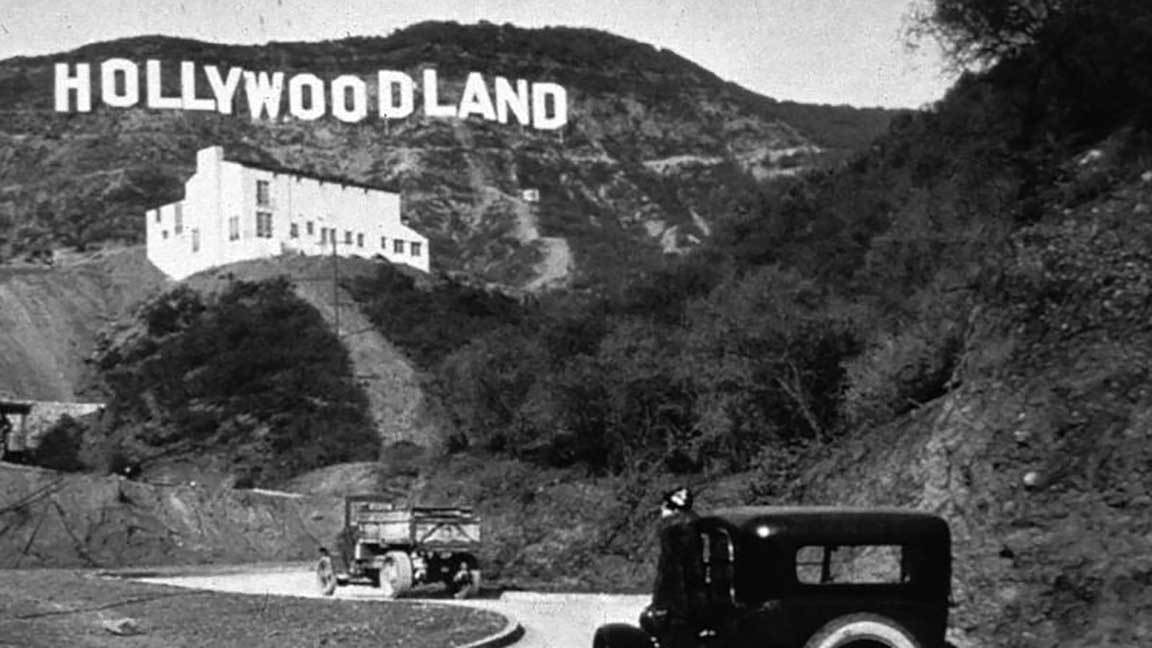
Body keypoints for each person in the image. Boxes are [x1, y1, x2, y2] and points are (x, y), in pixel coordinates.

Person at [643, 486, 709, 648]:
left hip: (678, 608)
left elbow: (671, 573)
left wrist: (661, 607)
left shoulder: (675, 530)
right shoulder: (695, 526)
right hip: (693, 602)